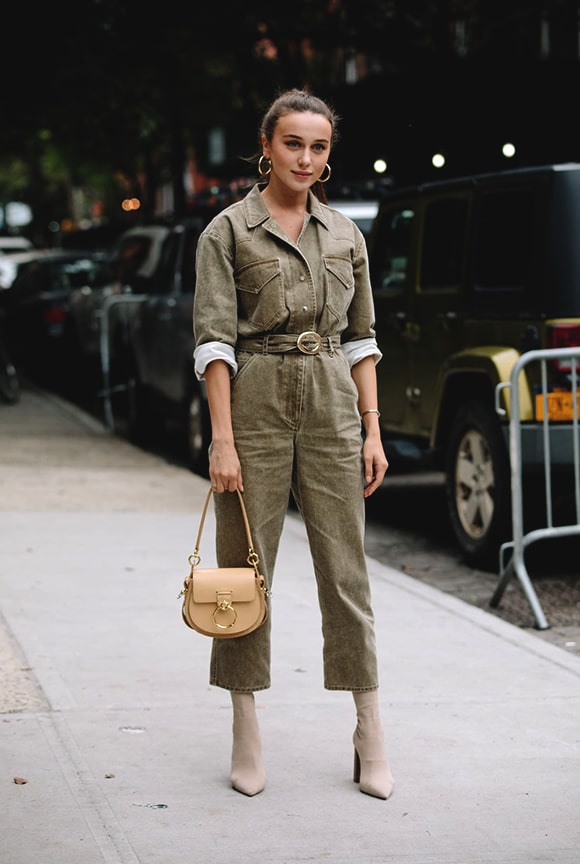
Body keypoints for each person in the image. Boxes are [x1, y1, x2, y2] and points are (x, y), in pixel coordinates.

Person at [192, 88, 394, 800]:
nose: (305, 159)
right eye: (293, 144)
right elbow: (214, 343)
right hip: (255, 400)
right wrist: (222, 439)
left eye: (318, 147)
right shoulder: (228, 231)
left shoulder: (345, 235)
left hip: (334, 395)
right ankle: (245, 727)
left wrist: (371, 429)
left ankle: (369, 728)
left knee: (347, 571)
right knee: (244, 574)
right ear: (266, 147)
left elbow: (364, 339)